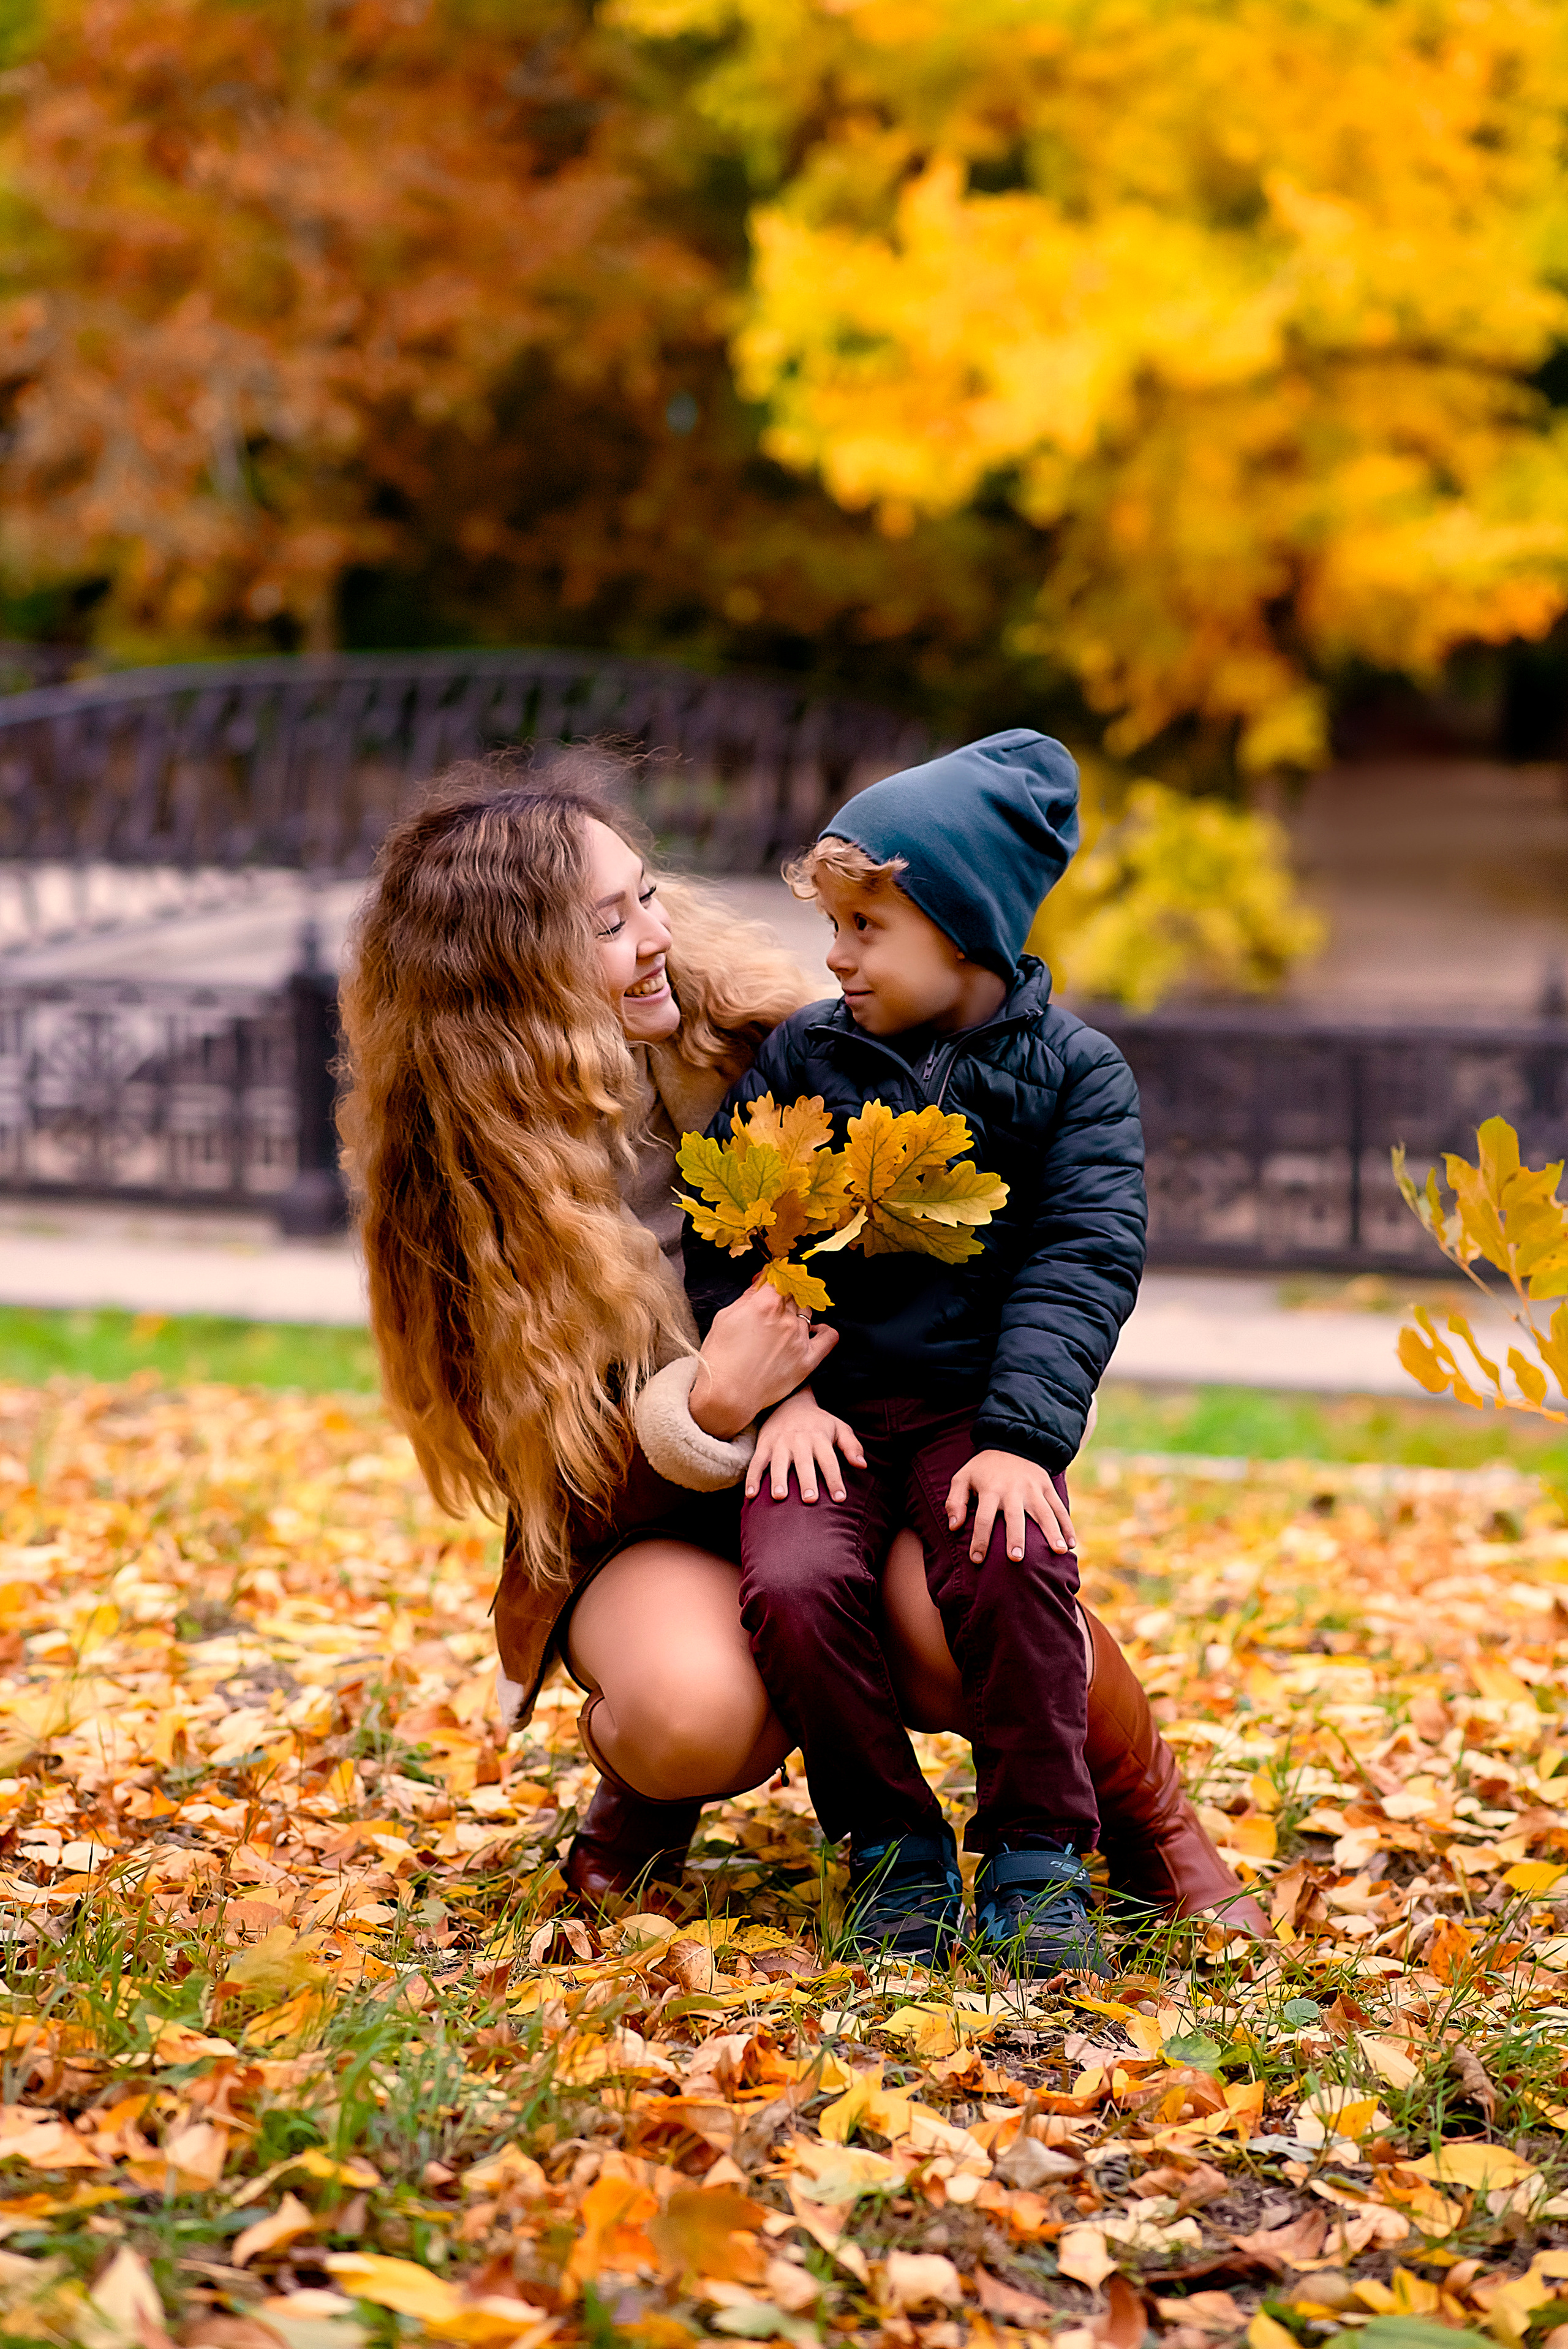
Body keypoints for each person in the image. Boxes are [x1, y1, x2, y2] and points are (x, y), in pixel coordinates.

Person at [337, 752, 1267, 1948]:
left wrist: (1009, 1426)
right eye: (607, 925)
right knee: (695, 1706)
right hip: (650, 1525)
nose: (655, 937)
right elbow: (555, 1479)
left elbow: (1054, 1245)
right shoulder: (460, 1196)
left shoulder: (772, 1044)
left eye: (646, 896)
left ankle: (1140, 1826)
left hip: (860, 1447)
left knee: (983, 1585)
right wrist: (713, 1410)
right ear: (510, 979)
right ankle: (661, 1799)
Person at [684, 732, 1140, 1973]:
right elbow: (726, 1232)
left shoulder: (1075, 1077)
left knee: (1014, 1559)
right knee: (791, 1583)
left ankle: (1038, 1853)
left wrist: (1020, 1440)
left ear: (962, 927)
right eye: (832, 926)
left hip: (971, 1413)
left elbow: (1082, 1260)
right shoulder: (805, 1055)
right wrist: (777, 1404)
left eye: (865, 927)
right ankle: (889, 1843)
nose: (835, 955)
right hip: (824, 1408)